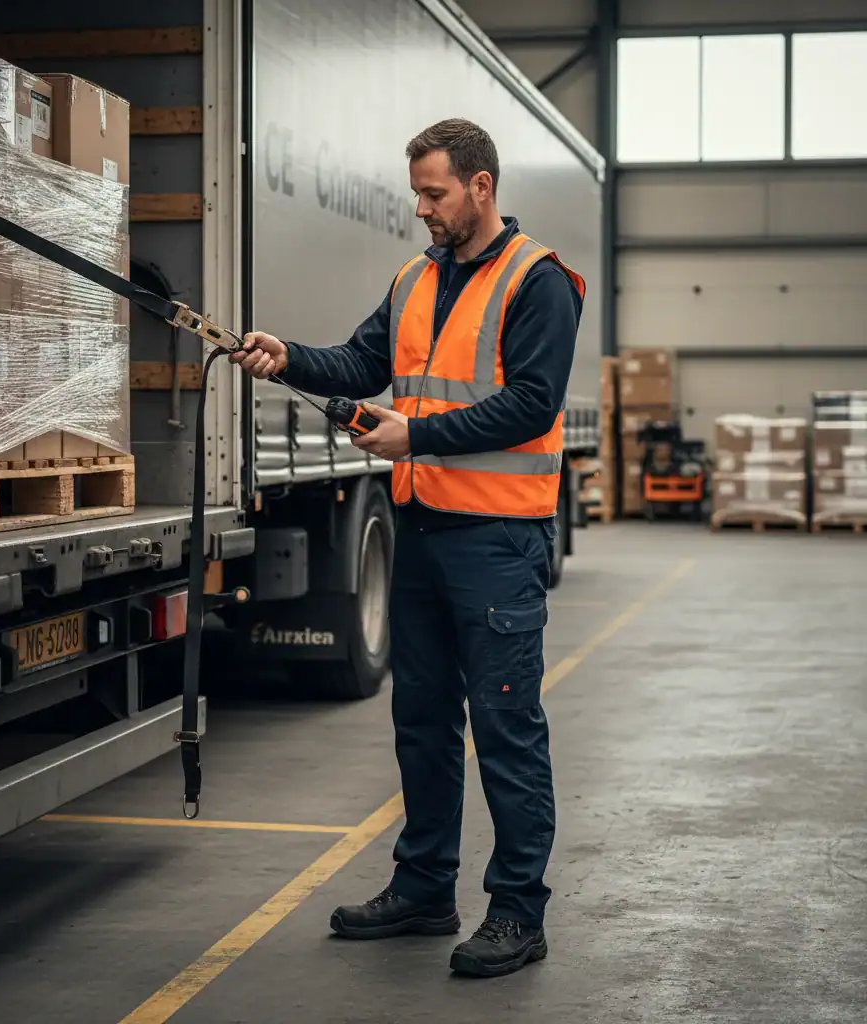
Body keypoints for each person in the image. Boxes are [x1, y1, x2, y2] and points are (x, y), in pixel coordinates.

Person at [231, 118, 584, 978]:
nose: (422, 209)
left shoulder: (538, 281)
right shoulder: (416, 278)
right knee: (422, 721)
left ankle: (518, 911)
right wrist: (287, 358)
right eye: (418, 194)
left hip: (497, 540)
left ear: (481, 187)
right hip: (422, 532)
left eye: (435, 194)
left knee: (505, 726)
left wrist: (415, 436)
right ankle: (425, 888)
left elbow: (532, 404)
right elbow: (362, 363)